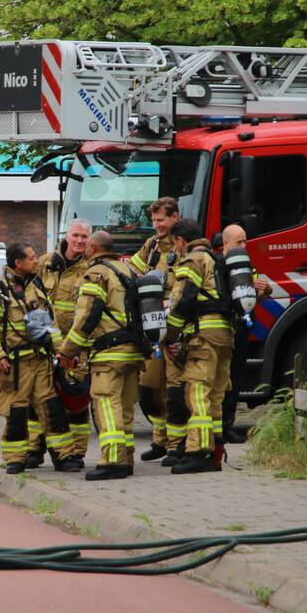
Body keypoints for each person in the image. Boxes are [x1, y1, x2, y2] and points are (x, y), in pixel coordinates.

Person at [0, 242, 80, 474]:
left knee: (53, 410)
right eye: (32, 257)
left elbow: (50, 324)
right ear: (18, 263)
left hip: (41, 363)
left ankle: (64, 456)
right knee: (17, 412)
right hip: (14, 367)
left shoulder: (38, 286)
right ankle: (15, 459)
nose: (37, 261)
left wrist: (62, 352)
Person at [58, 231, 145, 481]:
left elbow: (87, 316)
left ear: (94, 249)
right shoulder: (126, 269)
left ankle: (113, 461)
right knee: (125, 405)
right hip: (133, 351)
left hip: (109, 353)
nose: (83, 248)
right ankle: (126, 458)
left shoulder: (96, 273)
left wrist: (68, 351)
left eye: (87, 246)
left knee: (106, 403)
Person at [163, 219, 233, 474]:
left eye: (175, 245)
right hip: (225, 335)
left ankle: (198, 452)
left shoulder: (193, 260)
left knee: (197, 393)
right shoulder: (217, 260)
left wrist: (169, 336)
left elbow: (183, 299)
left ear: (181, 241)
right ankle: (214, 451)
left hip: (204, 337)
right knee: (215, 395)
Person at [33, 218, 93, 466]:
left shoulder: (91, 267)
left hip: (76, 346)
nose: (79, 241)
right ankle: (33, 450)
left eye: (84, 237)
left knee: (76, 400)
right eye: (75, 235)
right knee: (39, 397)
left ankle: (75, 453)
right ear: (67, 236)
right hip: (45, 343)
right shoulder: (46, 263)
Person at [128, 197, 181, 462]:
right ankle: (160, 440)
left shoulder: (183, 246)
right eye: (154, 221)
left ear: (175, 218)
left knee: (173, 388)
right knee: (151, 387)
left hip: (175, 329)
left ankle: (174, 445)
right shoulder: (152, 246)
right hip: (152, 325)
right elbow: (133, 271)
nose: (157, 225)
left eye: (161, 220)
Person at [217, 224, 272, 443]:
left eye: (245, 241)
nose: (244, 246)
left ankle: (227, 424)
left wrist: (264, 292)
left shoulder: (246, 265)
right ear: (225, 243)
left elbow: (249, 301)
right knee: (221, 380)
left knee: (235, 379)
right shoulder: (218, 266)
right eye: (239, 242)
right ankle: (218, 427)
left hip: (241, 330)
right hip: (223, 330)